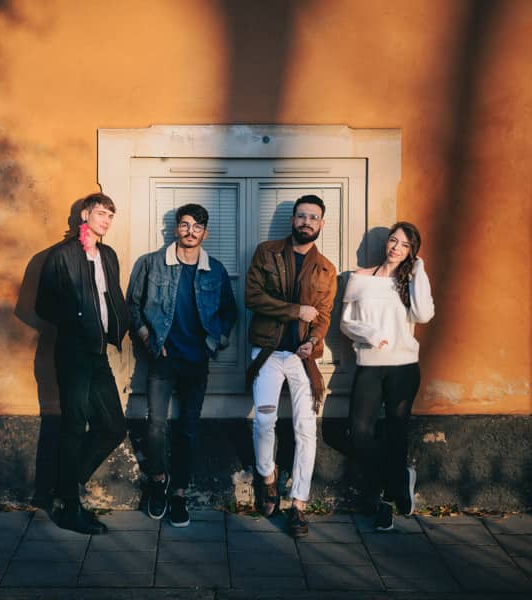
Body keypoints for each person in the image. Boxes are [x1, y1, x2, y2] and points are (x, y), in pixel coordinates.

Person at [127, 204, 237, 527]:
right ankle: (158, 482)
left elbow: (229, 311)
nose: (190, 232)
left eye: (197, 227)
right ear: (176, 229)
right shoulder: (151, 264)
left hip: (197, 361)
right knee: (155, 425)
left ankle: (178, 493)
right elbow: (133, 304)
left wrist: (213, 341)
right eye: (185, 225)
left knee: (188, 430)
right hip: (162, 359)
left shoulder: (214, 270)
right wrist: (147, 337)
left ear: (206, 233)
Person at [35, 192, 130, 535]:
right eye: (102, 213)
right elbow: (42, 305)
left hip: (98, 352)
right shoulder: (60, 256)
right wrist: (76, 319)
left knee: (114, 427)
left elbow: (110, 297)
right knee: (74, 426)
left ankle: (64, 487)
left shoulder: (107, 255)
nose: (106, 220)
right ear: (85, 214)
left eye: (110, 216)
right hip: (73, 352)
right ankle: (69, 506)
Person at [245, 195, 337, 537]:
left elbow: (324, 316)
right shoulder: (266, 252)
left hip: (302, 359)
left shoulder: (327, 269)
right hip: (267, 353)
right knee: (264, 421)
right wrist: (296, 311)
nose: (307, 222)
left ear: (321, 224)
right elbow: (251, 298)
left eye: (314, 217)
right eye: (301, 216)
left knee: (305, 429)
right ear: (292, 220)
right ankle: (267, 478)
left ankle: (298, 505)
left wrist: (312, 341)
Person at [340, 221, 434, 531]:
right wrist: (370, 332)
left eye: (405, 245)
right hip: (369, 362)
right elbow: (346, 323)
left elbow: (423, 315)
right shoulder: (360, 278)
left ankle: (384, 502)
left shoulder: (411, 280)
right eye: (393, 241)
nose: (396, 248)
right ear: (386, 243)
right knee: (359, 433)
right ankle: (398, 476)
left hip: (404, 366)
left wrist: (418, 270)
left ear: (411, 251)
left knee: (396, 432)